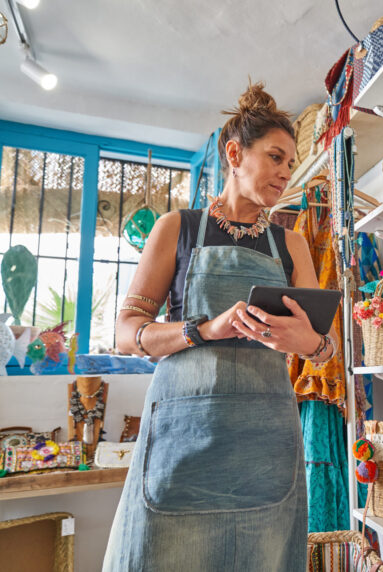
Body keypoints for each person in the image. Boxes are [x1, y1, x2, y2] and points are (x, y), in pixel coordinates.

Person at [103, 81, 336, 571]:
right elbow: (126, 332)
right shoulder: (177, 229)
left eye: (291, 163)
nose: (285, 173)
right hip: (183, 442)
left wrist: (310, 344)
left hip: (265, 448)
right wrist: (203, 330)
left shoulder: (290, 246)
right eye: (275, 157)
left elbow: (325, 348)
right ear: (235, 153)